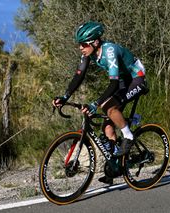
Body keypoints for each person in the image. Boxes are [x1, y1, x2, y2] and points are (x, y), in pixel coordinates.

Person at [52, 21, 148, 184]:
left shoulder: (109, 51)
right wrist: (65, 97)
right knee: (107, 127)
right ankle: (116, 165)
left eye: (83, 44)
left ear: (95, 42)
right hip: (124, 80)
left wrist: (94, 104)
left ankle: (128, 136)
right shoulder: (88, 53)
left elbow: (113, 84)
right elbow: (79, 75)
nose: (80, 48)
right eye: (79, 44)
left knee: (108, 107)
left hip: (136, 78)